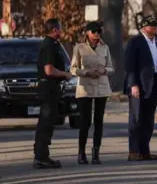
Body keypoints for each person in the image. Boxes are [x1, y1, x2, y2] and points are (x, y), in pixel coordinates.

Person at [70, 21, 114, 165]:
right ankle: (81, 153)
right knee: (85, 121)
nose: (97, 35)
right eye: (94, 32)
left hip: (102, 87)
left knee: (99, 121)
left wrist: (104, 71)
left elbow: (111, 68)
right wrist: (86, 72)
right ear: (87, 33)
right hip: (85, 88)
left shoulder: (104, 48)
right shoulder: (79, 47)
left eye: (99, 32)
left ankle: (96, 153)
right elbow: (73, 69)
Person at [124, 15, 157, 161]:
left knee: (148, 120)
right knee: (136, 118)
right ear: (145, 27)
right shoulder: (135, 42)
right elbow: (129, 66)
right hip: (139, 85)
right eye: (153, 25)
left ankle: (145, 150)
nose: (156, 28)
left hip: (153, 84)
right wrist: (133, 84)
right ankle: (134, 151)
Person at [33, 18, 73, 169]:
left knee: (47, 123)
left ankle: (42, 155)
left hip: (51, 90)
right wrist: (65, 74)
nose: (61, 31)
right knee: (46, 123)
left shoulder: (52, 44)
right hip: (48, 89)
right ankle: (41, 157)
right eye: (60, 28)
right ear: (55, 30)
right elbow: (49, 70)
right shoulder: (49, 45)